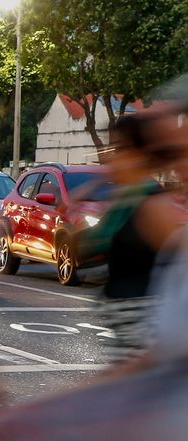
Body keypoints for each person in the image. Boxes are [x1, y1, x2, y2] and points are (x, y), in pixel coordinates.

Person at [79, 115, 182, 361]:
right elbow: (83, 248)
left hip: (148, 352)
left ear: (143, 155)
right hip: (130, 349)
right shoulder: (126, 200)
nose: (110, 156)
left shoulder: (152, 205)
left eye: (120, 148)